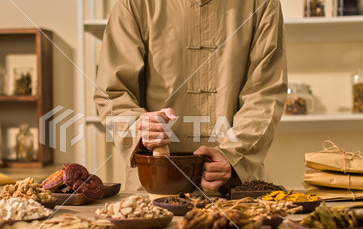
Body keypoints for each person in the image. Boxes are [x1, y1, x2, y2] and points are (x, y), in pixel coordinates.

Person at [94, 0, 287, 192]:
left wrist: (233, 156)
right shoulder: (134, 4)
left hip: (236, 187)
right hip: (155, 185)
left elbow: (265, 92)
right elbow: (112, 92)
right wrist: (139, 128)